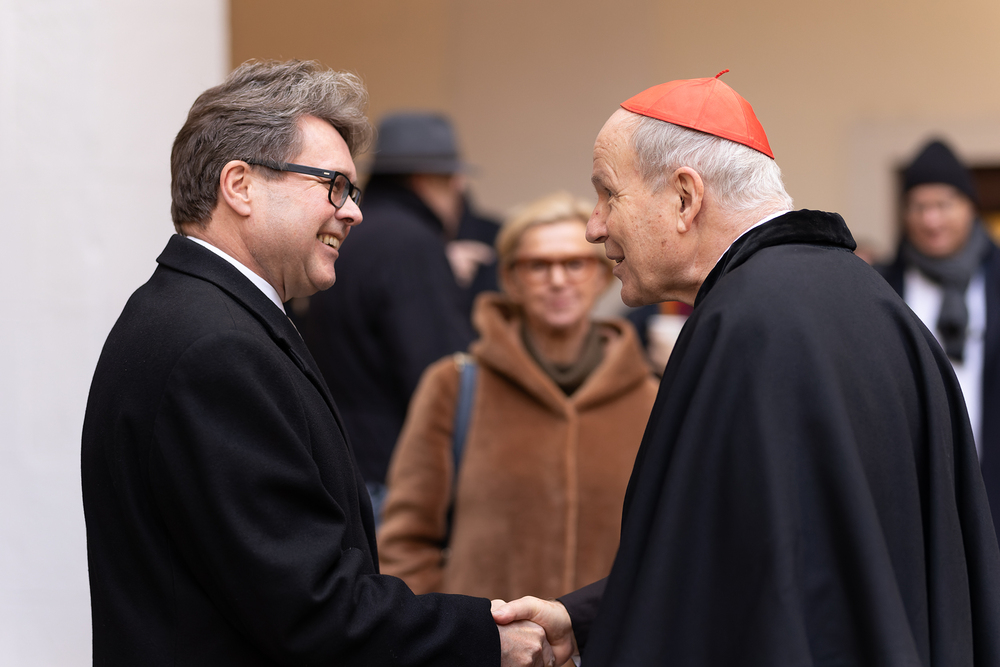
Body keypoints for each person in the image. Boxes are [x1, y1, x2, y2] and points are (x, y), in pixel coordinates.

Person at [493, 73, 1000, 666]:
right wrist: (585, 621)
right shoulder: (877, 303)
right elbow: (743, 550)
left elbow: (758, 596)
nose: (595, 225)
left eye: (609, 194)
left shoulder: (745, 324)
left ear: (685, 198)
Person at [81, 60, 552, 667]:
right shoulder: (215, 346)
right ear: (240, 185)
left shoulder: (197, 312)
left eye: (351, 191)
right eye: (333, 185)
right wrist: (486, 636)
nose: (353, 211)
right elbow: (311, 608)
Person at [378, 192, 658, 602]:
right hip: (485, 637)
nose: (558, 280)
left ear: (602, 276)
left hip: (604, 637)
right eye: (538, 266)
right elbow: (405, 540)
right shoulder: (454, 385)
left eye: (575, 264)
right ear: (510, 279)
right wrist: (448, 628)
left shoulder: (649, 398)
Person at [299, 112, 498, 518]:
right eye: (454, 182)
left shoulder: (348, 235)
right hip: (390, 480)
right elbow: (441, 373)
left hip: (343, 466)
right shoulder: (411, 244)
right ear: (429, 179)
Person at [876, 138, 1000, 541]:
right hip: (912, 492)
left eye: (943, 205)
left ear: (969, 206)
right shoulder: (881, 287)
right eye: (919, 206)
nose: (931, 220)